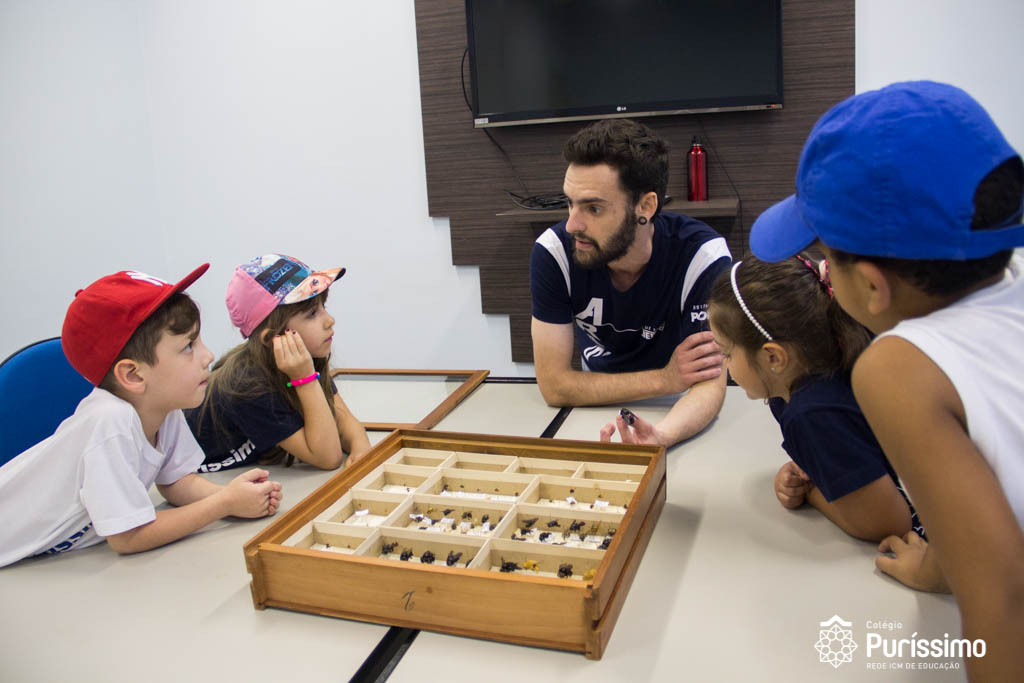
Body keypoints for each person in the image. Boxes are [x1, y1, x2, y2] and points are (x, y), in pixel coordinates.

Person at [749, 80, 1024, 680]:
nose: (822, 272)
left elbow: (1004, 601)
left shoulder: (898, 369)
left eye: (826, 259)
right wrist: (938, 567)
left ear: (872, 287)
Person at [0, 265, 283, 568]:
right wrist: (224, 503)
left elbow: (176, 482)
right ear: (133, 375)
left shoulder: (162, 404)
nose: (208, 356)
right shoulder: (111, 420)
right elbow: (128, 537)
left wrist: (236, 496)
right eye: (188, 346)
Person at [530, 119, 731, 447]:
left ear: (646, 207)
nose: (572, 225)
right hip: (592, 402)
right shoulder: (553, 252)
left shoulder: (701, 256)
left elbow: (709, 382)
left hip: (678, 408)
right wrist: (664, 379)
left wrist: (661, 436)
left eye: (593, 208)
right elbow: (554, 386)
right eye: (569, 203)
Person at [707, 255, 919, 541]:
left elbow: (889, 522)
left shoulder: (811, 414)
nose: (724, 364)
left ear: (774, 357)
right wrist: (815, 469)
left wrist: (814, 493)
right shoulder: (820, 367)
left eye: (727, 353)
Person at [188, 254, 370, 472]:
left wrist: (360, 447)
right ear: (271, 338)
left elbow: (343, 419)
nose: (330, 320)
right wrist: (305, 380)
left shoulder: (305, 358)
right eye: (312, 314)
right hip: (203, 474)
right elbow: (328, 457)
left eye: (324, 306)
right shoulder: (246, 384)